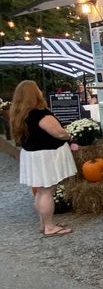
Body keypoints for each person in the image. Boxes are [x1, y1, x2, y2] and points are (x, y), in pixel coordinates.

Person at [9, 79, 79, 236]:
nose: (40, 90)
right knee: (47, 191)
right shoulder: (40, 114)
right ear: (34, 94)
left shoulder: (19, 115)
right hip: (47, 155)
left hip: (32, 155)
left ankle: (44, 224)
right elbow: (59, 133)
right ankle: (49, 227)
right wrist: (70, 135)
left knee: (41, 191)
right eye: (37, 88)